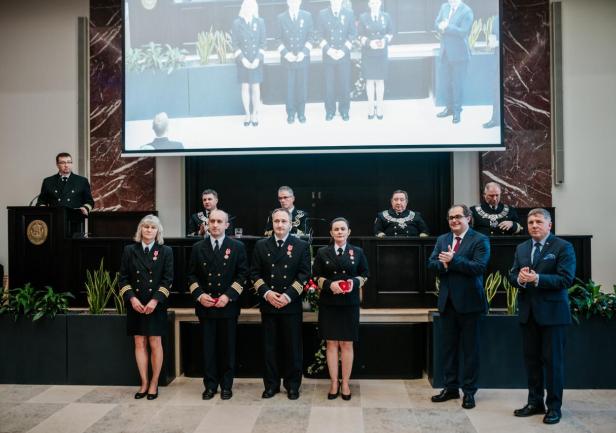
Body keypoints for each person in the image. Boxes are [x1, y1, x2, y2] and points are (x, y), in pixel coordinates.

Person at [509, 208, 576, 425]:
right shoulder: (522, 247)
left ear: (549, 225)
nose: (534, 225)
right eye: (530, 222)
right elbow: (513, 274)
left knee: (553, 363)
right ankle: (535, 402)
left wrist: (537, 278)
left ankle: (554, 407)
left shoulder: (563, 247)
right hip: (528, 314)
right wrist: (519, 279)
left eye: (539, 221)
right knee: (532, 362)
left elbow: (566, 279)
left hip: (553, 315)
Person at [428, 204, 490, 410]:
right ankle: (451, 388)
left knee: (470, 351)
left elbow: (479, 267)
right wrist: (444, 264)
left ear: (468, 218)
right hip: (448, 303)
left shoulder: (480, 240)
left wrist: (453, 260)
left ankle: (469, 392)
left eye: (458, 217)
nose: (454, 220)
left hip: (471, 304)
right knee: (449, 350)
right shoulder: (442, 239)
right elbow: (432, 263)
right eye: (451, 218)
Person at [188, 210, 249, 400]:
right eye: (212, 221)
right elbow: (191, 275)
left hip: (228, 306)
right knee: (208, 349)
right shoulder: (198, 247)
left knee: (227, 348)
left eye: (219, 221)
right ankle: (210, 385)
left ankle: (226, 386)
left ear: (226, 225)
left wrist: (228, 296)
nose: (215, 225)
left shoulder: (237, 246)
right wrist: (199, 295)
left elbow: (243, 275)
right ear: (207, 224)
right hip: (205, 305)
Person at [251, 208, 311, 400]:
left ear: (290, 224)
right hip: (269, 303)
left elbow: (304, 274)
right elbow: (254, 273)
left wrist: (287, 296)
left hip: (290, 304)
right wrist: (267, 293)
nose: (280, 224)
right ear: (272, 223)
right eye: (276, 221)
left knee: (292, 347)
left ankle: (293, 385)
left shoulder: (301, 245)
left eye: (284, 221)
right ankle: (271, 385)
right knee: (270, 347)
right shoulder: (261, 245)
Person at [313, 217, 369, 400]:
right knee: (331, 343)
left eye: (342, 229)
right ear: (331, 233)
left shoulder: (357, 252)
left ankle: (345, 383)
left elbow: (365, 274)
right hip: (329, 303)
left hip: (349, 303)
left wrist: (353, 283)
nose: (339, 232)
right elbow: (315, 276)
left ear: (348, 232)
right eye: (336, 229)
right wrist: (329, 285)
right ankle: (334, 383)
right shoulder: (322, 252)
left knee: (346, 343)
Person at [119, 215, 173, 400]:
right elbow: (123, 279)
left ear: (158, 231)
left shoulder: (166, 251)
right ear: (140, 229)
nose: (149, 230)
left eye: (153, 227)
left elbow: (168, 280)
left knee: (155, 342)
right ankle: (143, 382)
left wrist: (155, 301)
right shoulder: (129, 250)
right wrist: (132, 299)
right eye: (146, 226)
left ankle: (154, 383)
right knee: (139, 342)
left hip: (155, 304)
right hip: (136, 304)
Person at [434, 0, 474, 124]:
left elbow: (463, 32)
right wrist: (440, 26)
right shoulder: (444, 7)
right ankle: (449, 108)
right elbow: (436, 23)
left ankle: (457, 111)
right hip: (445, 53)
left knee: (457, 84)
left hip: (459, 54)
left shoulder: (466, 11)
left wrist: (446, 27)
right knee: (446, 83)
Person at [37, 152, 95, 236]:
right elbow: (41, 201)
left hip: (75, 222)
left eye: (69, 162)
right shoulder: (48, 181)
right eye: (63, 162)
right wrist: (43, 208)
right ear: (57, 165)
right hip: (54, 222)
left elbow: (90, 201)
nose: (66, 165)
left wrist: (85, 208)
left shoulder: (82, 181)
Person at [276, 0, 314, 124]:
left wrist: (303, 53)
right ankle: (291, 113)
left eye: (296, 1)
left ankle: (301, 113)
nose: (294, 3)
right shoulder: (281, 17)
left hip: (302, 58)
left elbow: (311, 37)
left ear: (300, 2)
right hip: (288, 59)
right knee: (289, 88)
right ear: (287, 2)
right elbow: (277, 39)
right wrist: (286, 54)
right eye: (291, 1)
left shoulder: (307, 16)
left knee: (302, 87)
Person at [317, 0, 357, 121]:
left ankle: (344, 110)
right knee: (329, 85)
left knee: (344, 85)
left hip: (343, 55)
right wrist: (329, 50)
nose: (335, 2)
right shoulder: (322, 14)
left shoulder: (349, 13)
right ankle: (330, 111)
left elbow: (352, 34)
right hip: (329, 56)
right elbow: (319, 36)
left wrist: (343, 51)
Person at [232, 0, 266, 127]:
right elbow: (235, 45)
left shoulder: (260, 22)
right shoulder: (237, 23)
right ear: (243, 8)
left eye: (251, 6)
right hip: (243, 61)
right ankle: (247, 113)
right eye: (246, 6)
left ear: (255, 8)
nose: (249, 9)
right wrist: (243, 59)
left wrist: (257, 59)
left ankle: (254, 114)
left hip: (256, 60)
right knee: (245, 87)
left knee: (256, 88)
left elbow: (263, 44)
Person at [358, 0, 394, 120]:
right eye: (372, 3)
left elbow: (390, 33)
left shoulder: (386, 16)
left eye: (377, 2)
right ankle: (370, 107)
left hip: (381, 53)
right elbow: (360, 35)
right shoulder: (363, 17)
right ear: (369, 4)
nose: (375, 5)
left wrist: (384, 41)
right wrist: (369, 43)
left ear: (380, 4)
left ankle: (379, 107)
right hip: (368, 53)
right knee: (369, 81)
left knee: (379, 81)